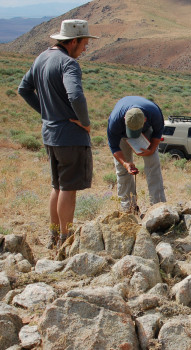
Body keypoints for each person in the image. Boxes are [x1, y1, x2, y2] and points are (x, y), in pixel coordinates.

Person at [18, 19, 98, 249]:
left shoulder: (42, 57)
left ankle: (54, 237)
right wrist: (85, 123)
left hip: (50, 134)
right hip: (70, 137)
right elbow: (75, 96)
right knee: (68, 189)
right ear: (73, 41)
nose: (85, 48)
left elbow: (24, 89)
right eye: (84, 43)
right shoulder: (68, 64)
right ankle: (65, 239)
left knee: (57, 186)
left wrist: (46, 112)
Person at [107, 96, 166, 213]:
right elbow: (114, 146)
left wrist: (151, 149)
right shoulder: (115, 120)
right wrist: (125, 163)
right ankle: (128, 209)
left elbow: (158, 132)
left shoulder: (154, 112)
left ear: (145, 120)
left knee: (153, 165)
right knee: (122, 171)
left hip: (145, 133)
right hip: (122, 135)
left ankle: (158, 206)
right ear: (124, 119)